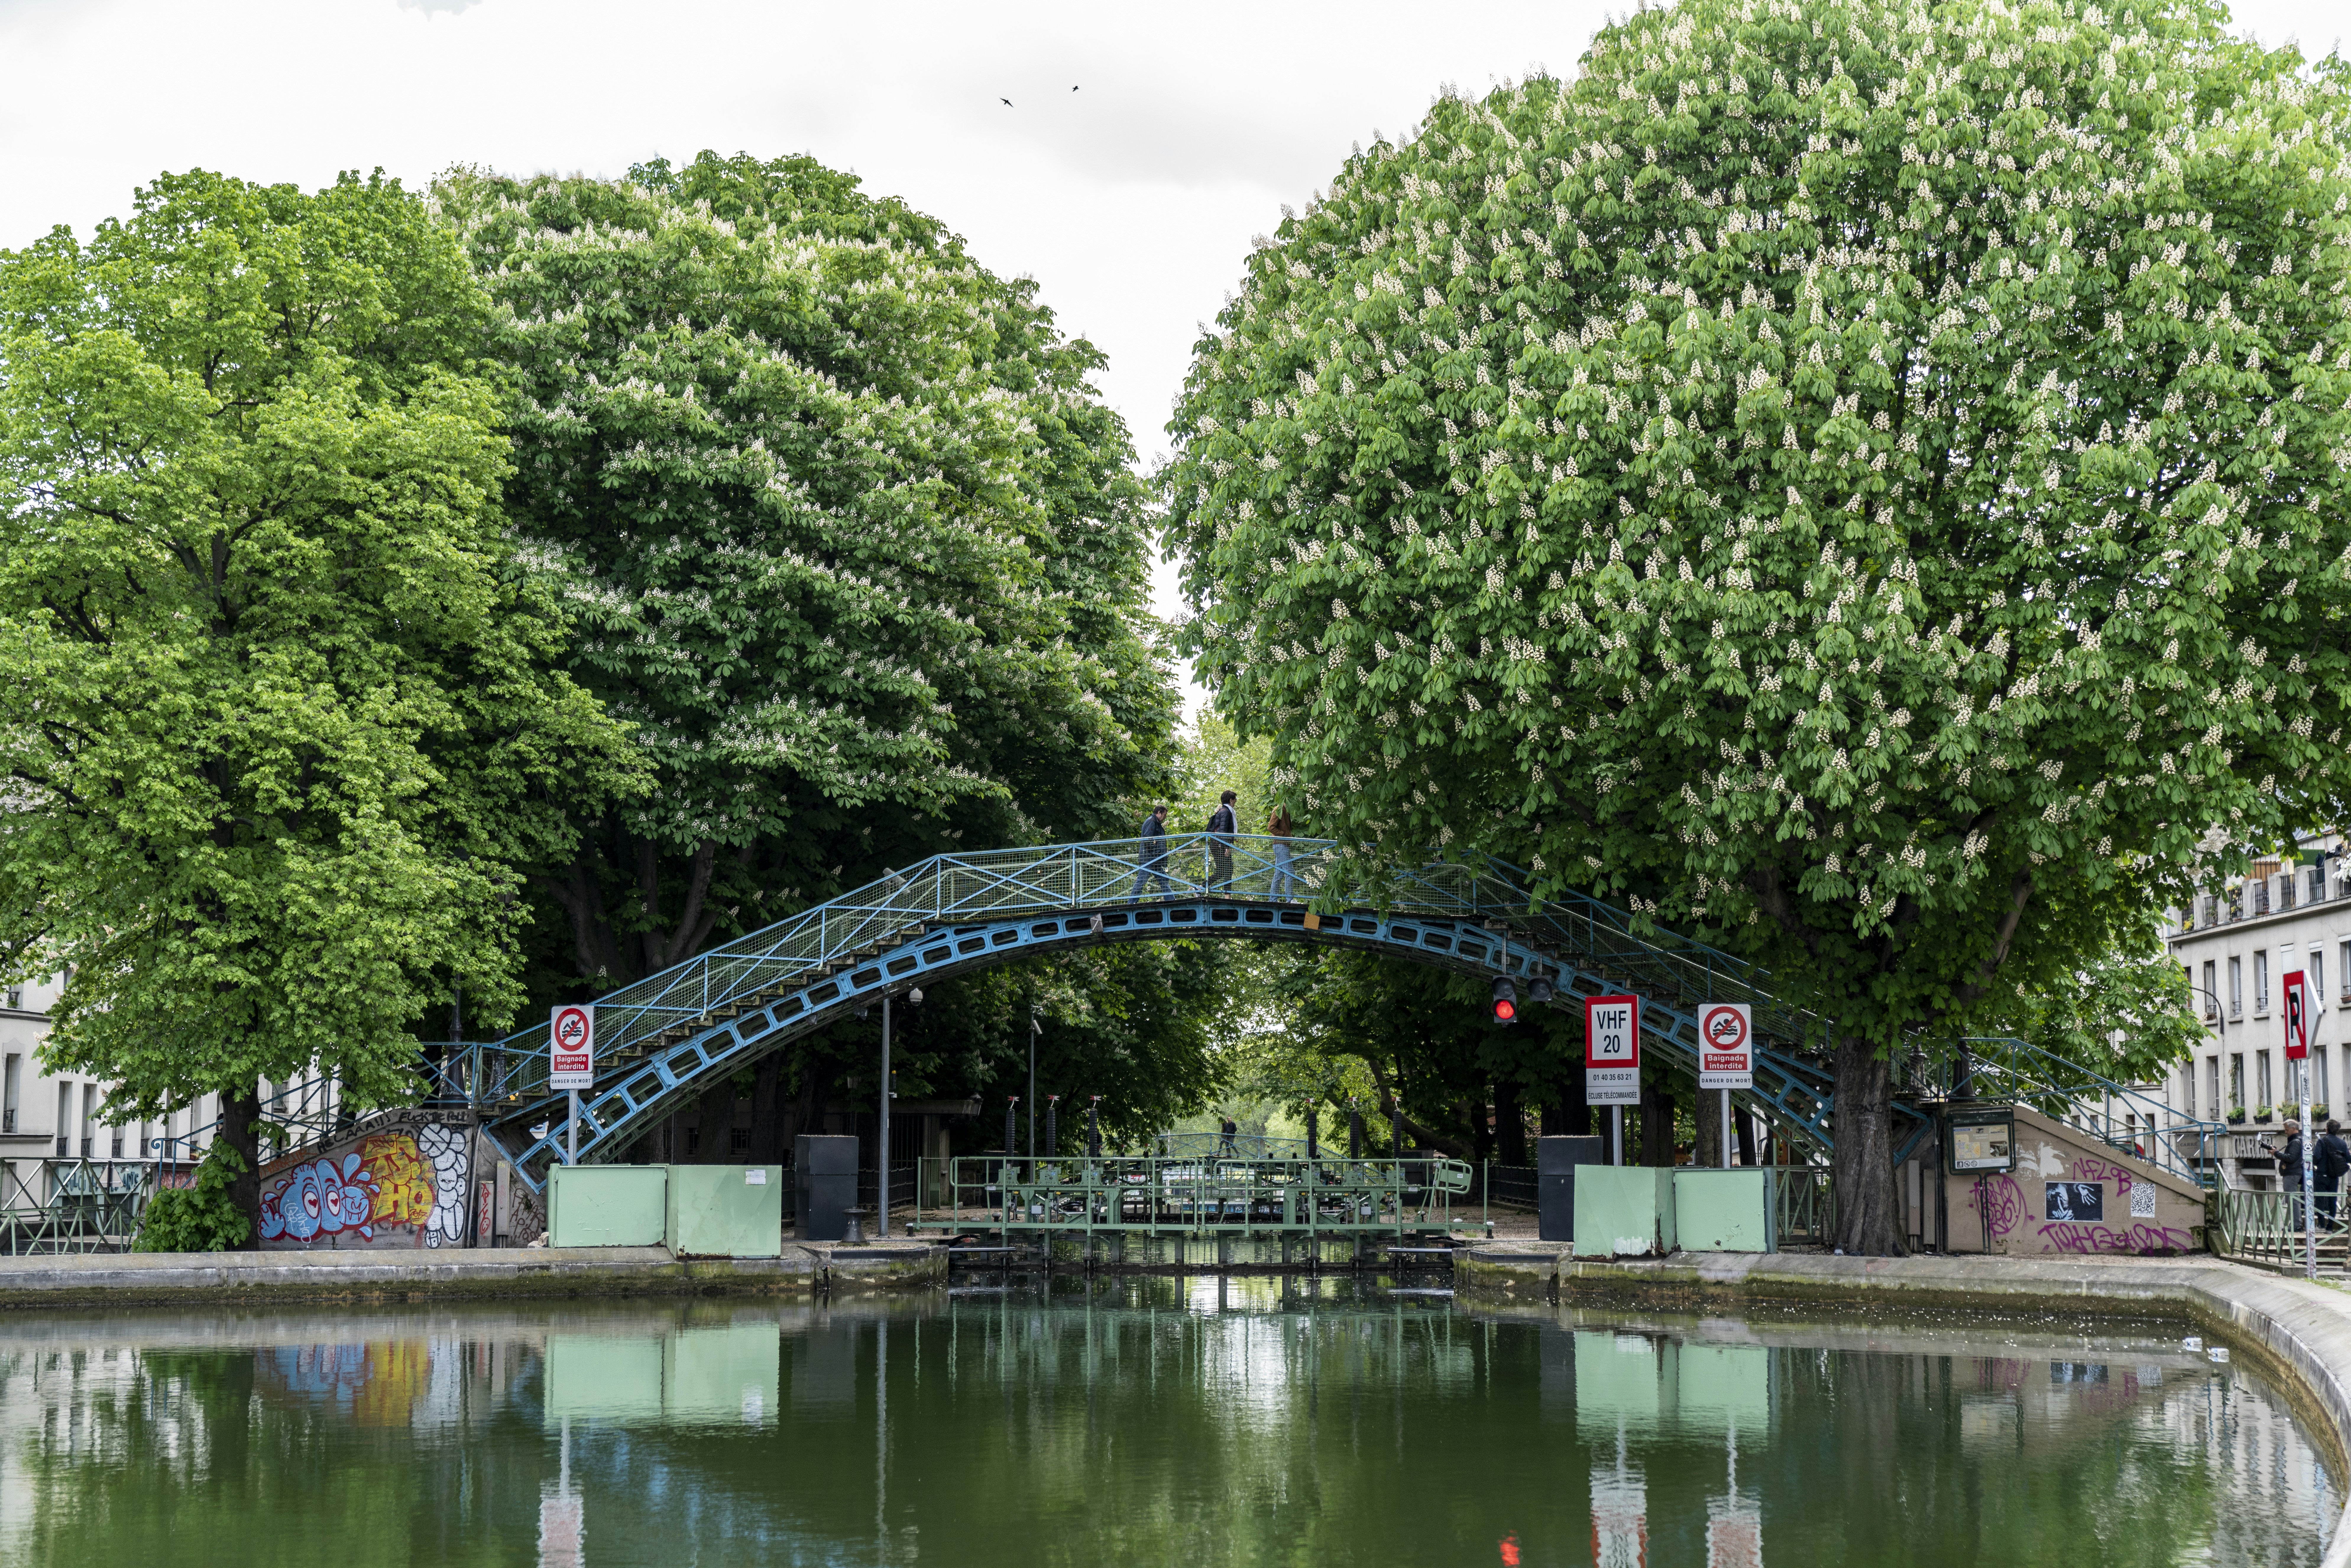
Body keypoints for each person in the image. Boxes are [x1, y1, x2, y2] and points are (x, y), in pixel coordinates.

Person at [2270, 1119, 2307, 1224]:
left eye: (2287, 1130)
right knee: (2292, 1199)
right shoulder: (2296, 1140)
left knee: (2292, 1200)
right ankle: (2296, 1223)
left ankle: (2297, 1224)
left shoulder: (2296, 1142)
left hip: (2292, 1173)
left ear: (2293, 1129)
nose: (2285, 1132)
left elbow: (2291, 1158)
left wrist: (2276, 1154)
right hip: (2293, 1173)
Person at [1131, 804, 1171, 899]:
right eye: (1165, 815)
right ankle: (1131, 903)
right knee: (1142, 881)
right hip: (1149, 858)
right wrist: (1157, 852)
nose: (1165, 818)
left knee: (1163, 879)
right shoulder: (1152, 822)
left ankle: (1171, 900)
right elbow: (1147, 840)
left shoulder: (1154, 822)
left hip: (1153, 858)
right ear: (1159, 813)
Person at [2319, 1120, 2351, 1229]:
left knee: (2320, 1200)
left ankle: (2321, 1225)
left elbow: (2316, 1158)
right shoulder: (2342, 1143)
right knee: (2333, 1201)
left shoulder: (2322, 1141)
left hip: (2321, 1176)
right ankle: (2330, 1227)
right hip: (2334, 1177)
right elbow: (2349, 1159)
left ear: (2327, 1129)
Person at [1206, 789, 1237, 892]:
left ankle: (1227, 895)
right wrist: (1226, 846)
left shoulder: (1224, 811)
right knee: (1225, 870)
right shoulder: (1226, 812)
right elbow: (1223, 831)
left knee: (1227, 869)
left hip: (1218, 844)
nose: (1236, 801)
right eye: (1235, 799)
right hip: (1219, 845)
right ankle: (1201, 887)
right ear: (1231, 800)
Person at [1267, 806, 1295, 901]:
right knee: (1290, 873)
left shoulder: (1285, 810)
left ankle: (1273, 900)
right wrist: (1284, 834)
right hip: (1281, 845)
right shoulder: (1280, 809)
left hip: (1282, 845)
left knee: (1279, 874)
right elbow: (1271, 827)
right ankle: (1290, 900)